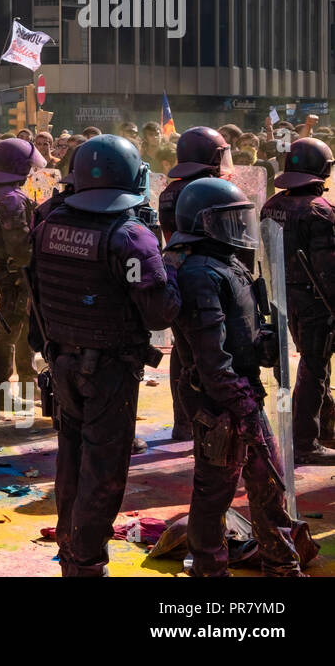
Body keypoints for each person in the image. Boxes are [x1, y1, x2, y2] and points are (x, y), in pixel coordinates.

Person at [27, 135, 181, 576]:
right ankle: (88, 562)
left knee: (71, 459)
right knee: (104, 469)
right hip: (110, 367)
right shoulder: (131, 235)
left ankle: (72, 548)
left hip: (62, 361)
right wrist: (166, 263)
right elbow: (160, 311)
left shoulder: (48, 225)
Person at [164, 178, 310, 576]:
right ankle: (209, 569)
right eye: (230, 220)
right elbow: (211, 356)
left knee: (268, 484)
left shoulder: (224, 264)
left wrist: (263, 342)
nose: (239, 228)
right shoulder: (197, 271)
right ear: (205, 223)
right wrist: (240, 403)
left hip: (239, 393)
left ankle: (281, 564)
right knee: (215, 490)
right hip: (221, 400)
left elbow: (237, 330)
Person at [260, 137, 335, 464]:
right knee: (315, 366)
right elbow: (328, 270)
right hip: (314, 299)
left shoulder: (272, 204)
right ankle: (305, 441)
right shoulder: (320, 211)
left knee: (312, 362)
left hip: (283, 295)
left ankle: (323, 427)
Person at [157, 125, 233, 443]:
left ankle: (184, 423)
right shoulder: (215, 191)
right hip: (210, 280)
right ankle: (213, 425)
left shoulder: (168, 192)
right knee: (215, 353)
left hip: (176, 276)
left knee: (183, 351)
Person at [0, 137, 45, 405]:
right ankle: (1, 392)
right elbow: (20, 247)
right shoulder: (14, 200)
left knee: (20, 328)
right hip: (16, 276)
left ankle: (27, 381)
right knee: (9, 330)